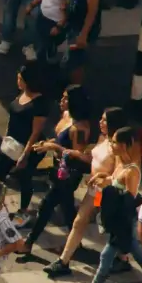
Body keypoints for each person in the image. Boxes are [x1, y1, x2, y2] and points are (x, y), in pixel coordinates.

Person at [43, 106, 126, 278]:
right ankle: (63, 261)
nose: (100, 122)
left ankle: (124, 257)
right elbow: (92, 158)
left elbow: (120, 172)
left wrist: (103, 178)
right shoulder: (103, 138)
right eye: (101, 119)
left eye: (104, 120)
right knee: (79, 222)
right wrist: (72, 153)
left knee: (112, 225)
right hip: (94, 192)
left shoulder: (119, 146)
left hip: (109, 193)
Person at [73, 127, 142, 283]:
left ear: (124, 145)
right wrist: (102, 178)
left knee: (106, 256)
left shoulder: (132, 171)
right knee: (134, 248)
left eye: (114, 142)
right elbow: (112, 181)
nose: (112, 145)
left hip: (122, 221)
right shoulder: (119, 162)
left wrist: (107, 188)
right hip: (116, 220)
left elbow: (130, 200)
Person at [16, 84, 93, 254]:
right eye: (63, 97)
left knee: (46, 205)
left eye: (66, 98)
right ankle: (76, 244)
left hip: (69, 173)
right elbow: (59, 138)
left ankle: (28, 243)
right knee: (67, 208)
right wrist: (48, 143)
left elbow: (77, 154)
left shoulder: (80, 128)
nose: (62, 101)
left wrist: (53, 147)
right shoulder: (66, 116)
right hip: (58, 167)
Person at [0, 62, 51, 227]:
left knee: (24, 178)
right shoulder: (21, 94)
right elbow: (13, 117)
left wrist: (26, 154)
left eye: (20, 79)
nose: (17, 81)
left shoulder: (39, 103)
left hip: (29, 147)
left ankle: (24, 211)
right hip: (12, 143)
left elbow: (35, 132)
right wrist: (6, 135)